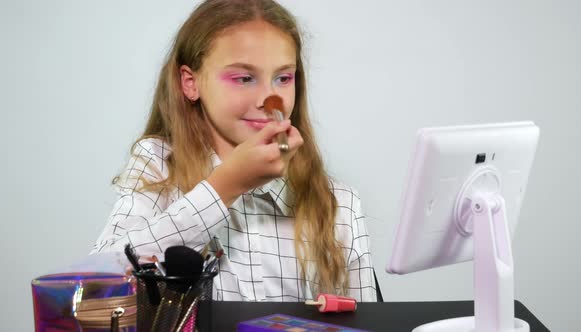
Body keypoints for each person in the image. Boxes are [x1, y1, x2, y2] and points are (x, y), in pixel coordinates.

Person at [91, 0, 377, 302]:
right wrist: (223, 187)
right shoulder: (157, 166)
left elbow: (367, 321)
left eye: (282, 78)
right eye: (243, 78)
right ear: (190, 83)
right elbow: (97, 281)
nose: (269, 99)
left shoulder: (339, 204)